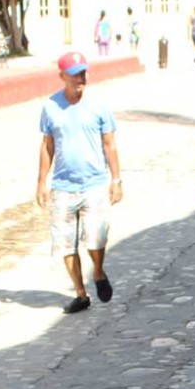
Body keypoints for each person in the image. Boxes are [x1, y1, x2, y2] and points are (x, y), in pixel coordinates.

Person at [36, 50, 121, 313]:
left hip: (94, 183)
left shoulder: (99, 108)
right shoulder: (50, 107)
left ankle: (97, 272)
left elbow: (110, 145)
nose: (80, 79)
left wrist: (116, 179)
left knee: (96, 238)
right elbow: (47, 145)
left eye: (83, 73)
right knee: (65, 242)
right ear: (62, 76)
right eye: (74, 75)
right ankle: (81, 294)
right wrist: (41, 181)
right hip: (63, 186)